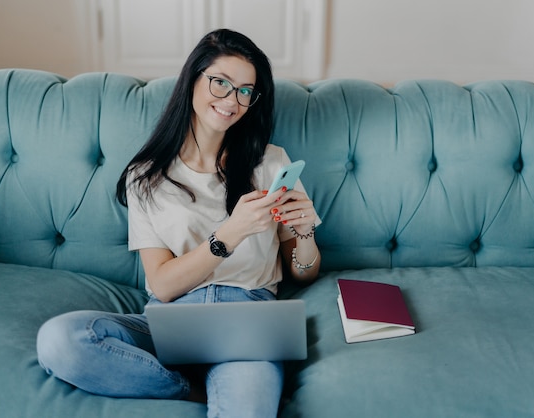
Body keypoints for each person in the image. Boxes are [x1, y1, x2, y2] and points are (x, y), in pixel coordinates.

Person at [36, 28, 321, 418]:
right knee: (60, 340)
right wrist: (229, 234)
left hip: (246, 322)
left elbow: (302, 272)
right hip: (170, 322)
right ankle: (189, 388)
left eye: (244, 91)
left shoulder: (272, 162)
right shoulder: (146, 175)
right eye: (220, 83)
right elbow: (163, 285)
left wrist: (304, 233)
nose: (231, 100)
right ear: (193, 79)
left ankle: (220, 385)